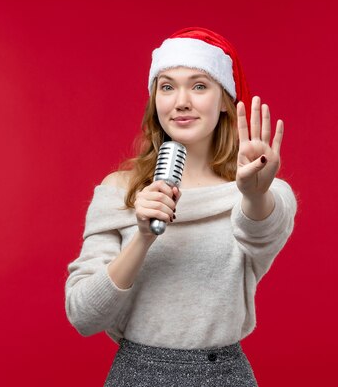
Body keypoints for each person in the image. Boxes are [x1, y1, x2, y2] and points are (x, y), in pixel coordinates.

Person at [64, 27, 298, 386]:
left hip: (223, 375)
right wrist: (142, 237)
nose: (181, 102)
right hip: (136, 374)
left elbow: (260, 233)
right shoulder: (119, 192)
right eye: (167, 86)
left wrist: (252, 193)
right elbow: (83, 315)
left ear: (224, 100)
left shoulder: (261, 193)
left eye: (199, 85)